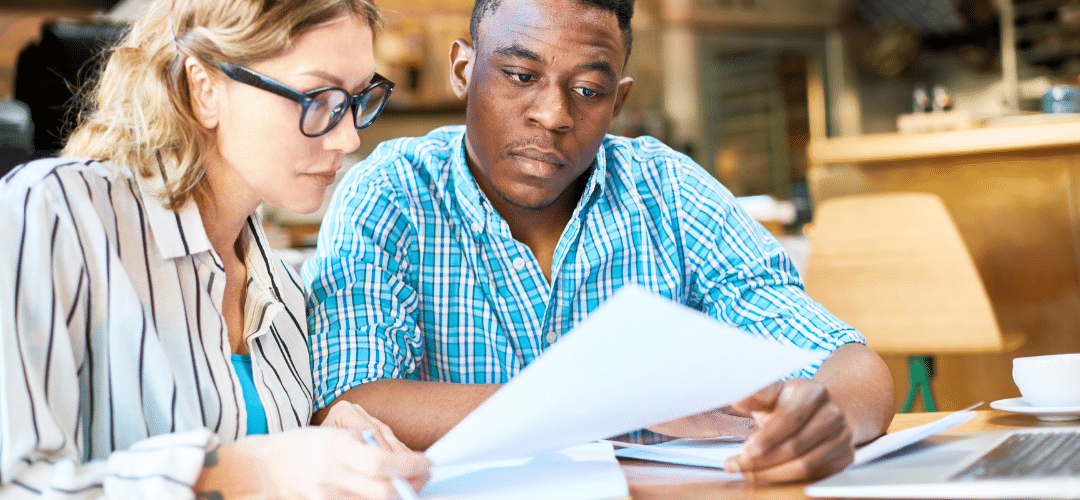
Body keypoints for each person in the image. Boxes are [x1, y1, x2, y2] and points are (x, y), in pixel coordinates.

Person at [303, 0, 894, 484]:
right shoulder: (391, 191)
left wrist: (825, 419)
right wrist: (616, 405)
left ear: (619, 101)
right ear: (464, 71)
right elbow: (356, 399)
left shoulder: (668, 191)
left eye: (587, 89)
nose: (553, 114)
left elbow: (850, 364)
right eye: (520, 76)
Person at [0, 0, 430, 498]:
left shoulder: (282, 287)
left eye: (357, 99)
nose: (349, 137)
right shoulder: (52, 213)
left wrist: (326, 440)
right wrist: (240, 472)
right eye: (316, 98)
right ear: (205, 89)